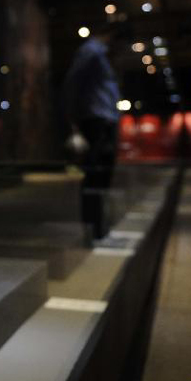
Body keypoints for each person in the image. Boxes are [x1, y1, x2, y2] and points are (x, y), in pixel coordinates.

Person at [63, 23, 125, 241]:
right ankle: (94, 226)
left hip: (103, 118)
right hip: (95, 118)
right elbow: (73, 82)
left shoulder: (99, 54)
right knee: (96, 174)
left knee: (102, 174)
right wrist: (73, 119)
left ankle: (98, 225)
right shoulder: (91, 51)